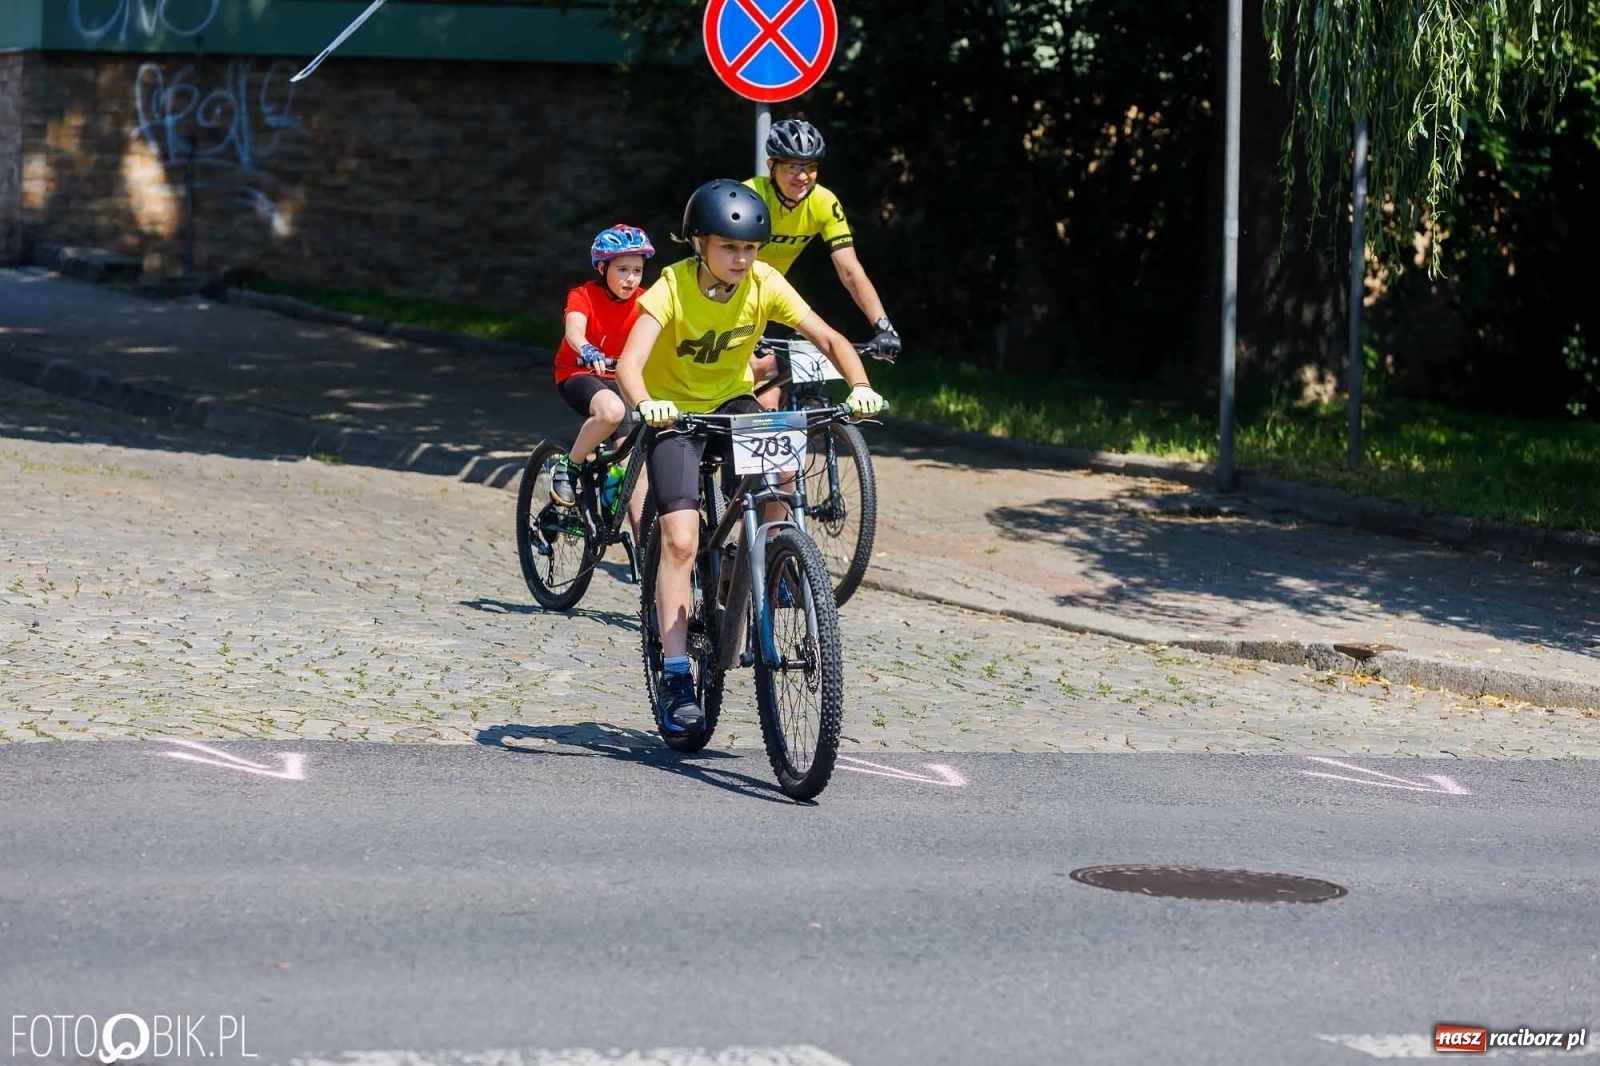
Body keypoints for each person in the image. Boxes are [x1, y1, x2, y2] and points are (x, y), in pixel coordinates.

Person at [614, 179, 886, 735]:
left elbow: (829, 338)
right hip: (676, 417)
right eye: (728, 247)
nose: (742, 259)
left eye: (750, 248)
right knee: (682, 539)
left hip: (731, 404)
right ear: (699, 245)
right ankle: (674, 672)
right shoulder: (669, 288)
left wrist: (858, 384)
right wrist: (647, 405)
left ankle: (760, 558)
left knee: (783, 472)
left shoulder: (765, 283)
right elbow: (628, 365)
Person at [744, 118, 900, 409]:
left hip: (773, 296)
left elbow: (850, 270)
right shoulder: (750, 197)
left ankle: (767, 446)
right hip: (734, 294)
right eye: (793, 166)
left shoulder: (824, 202)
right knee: (760, 369)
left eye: (811, 167)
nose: (802, 176)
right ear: (771, 166)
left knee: (780, 374)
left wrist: (884, 327)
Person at [549, 224, 654, 535]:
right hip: (579, 372)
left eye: (637, 270)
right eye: (622, 269)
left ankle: (645, 553)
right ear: (602, 267)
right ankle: (569, 467)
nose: (631, 278)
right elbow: (574, 330)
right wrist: (586, 348)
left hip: (622, 378)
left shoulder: (647, 301)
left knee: (636, 465)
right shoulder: (583, 296)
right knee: (610, 411)